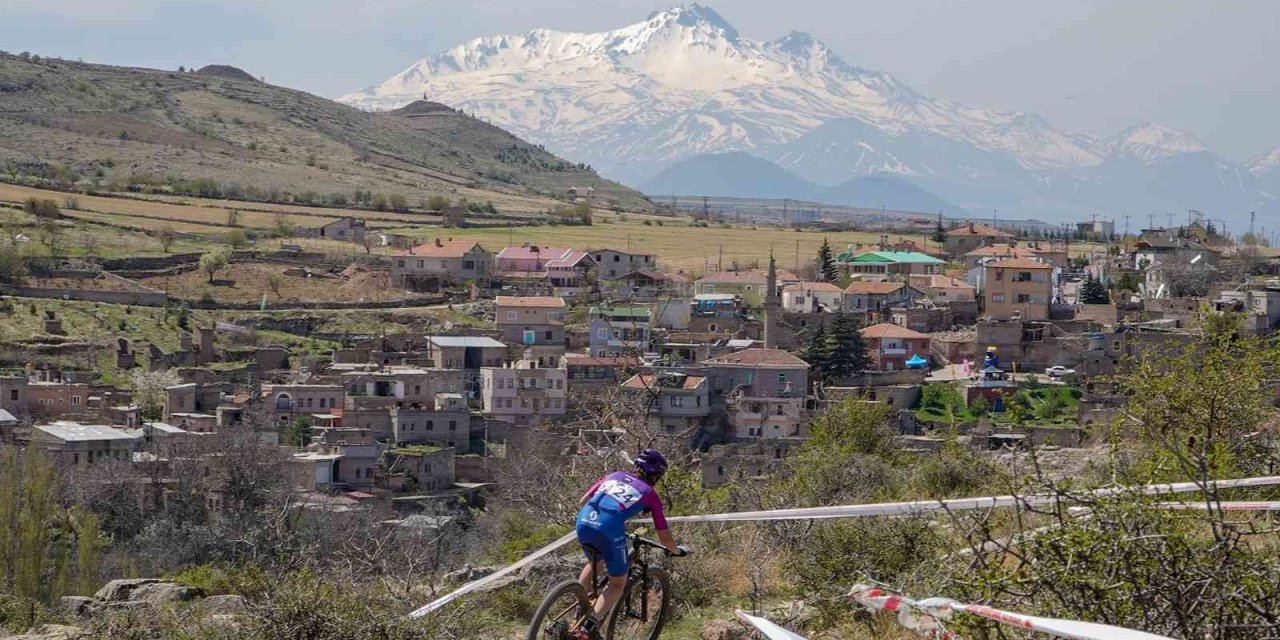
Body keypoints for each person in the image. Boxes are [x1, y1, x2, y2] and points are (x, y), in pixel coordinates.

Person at [571, 449, 685, 640]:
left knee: (595, 563)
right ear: (656, 475)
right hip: (608, 529)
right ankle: (586, 629)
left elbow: (584, 500)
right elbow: (663, 536)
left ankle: (576, 611)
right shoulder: (650, 494)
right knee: (617, 583)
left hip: (583, 520)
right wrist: (676, 551)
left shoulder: (614, 475)